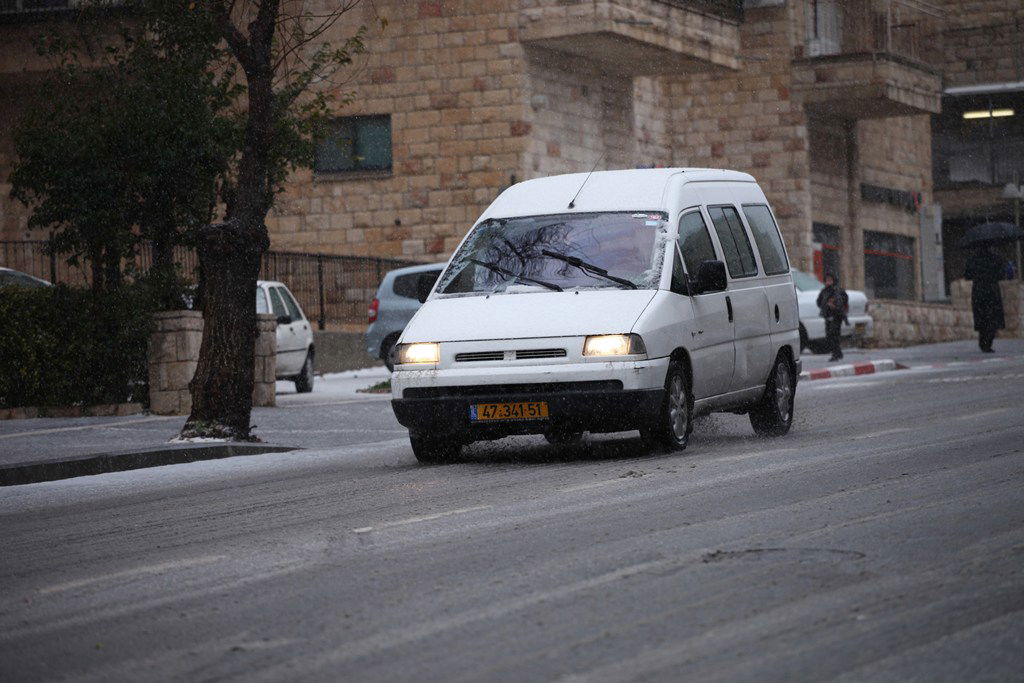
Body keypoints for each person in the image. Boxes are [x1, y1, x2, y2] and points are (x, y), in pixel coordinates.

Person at [964, 245, 1006, 352]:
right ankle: (988, 343)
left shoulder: (973, 259)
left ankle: (983, 342)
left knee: (981, 318)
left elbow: (967, 275)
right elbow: (1001, 274)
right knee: (992, 318)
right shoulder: (995, 258)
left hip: (978, 291)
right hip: (992, 291)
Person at [816, 272, 848, 362]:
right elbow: (819, 302)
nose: (828, 282)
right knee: (829, 336)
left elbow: (844, 301)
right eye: (827, 280)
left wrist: (835, 305)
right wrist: (826, 305)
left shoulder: (839, 291)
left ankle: (835, 354)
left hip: (837, 316)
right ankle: (838, 353)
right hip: (828, 316)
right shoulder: (824, 291)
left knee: (834, 335)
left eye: (830, 280)